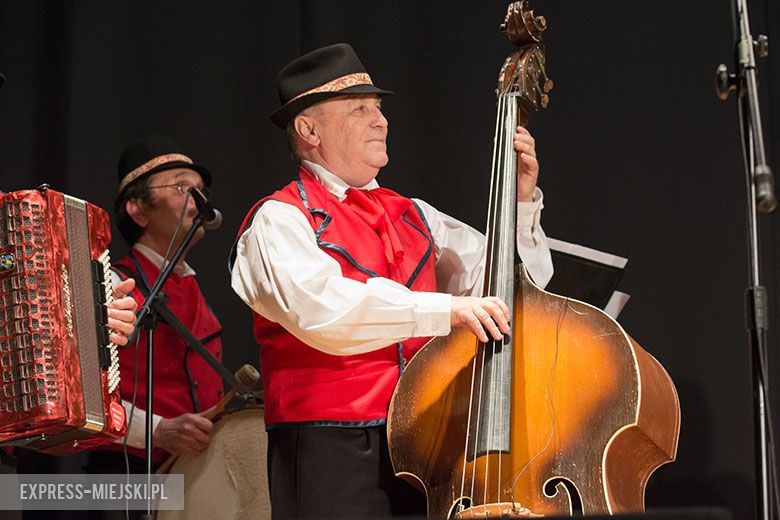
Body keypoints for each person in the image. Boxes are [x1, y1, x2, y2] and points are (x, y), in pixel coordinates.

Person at [230, 43, 554, 518]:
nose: (380, 121)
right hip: (330, 447)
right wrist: (445, 309)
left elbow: (515, 287)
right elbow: (323, 310)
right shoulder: (278, 219)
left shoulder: (415, 213)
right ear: (308, 128)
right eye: (359, 109)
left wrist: (520, 204)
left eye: (378, 108)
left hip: (427, 435)